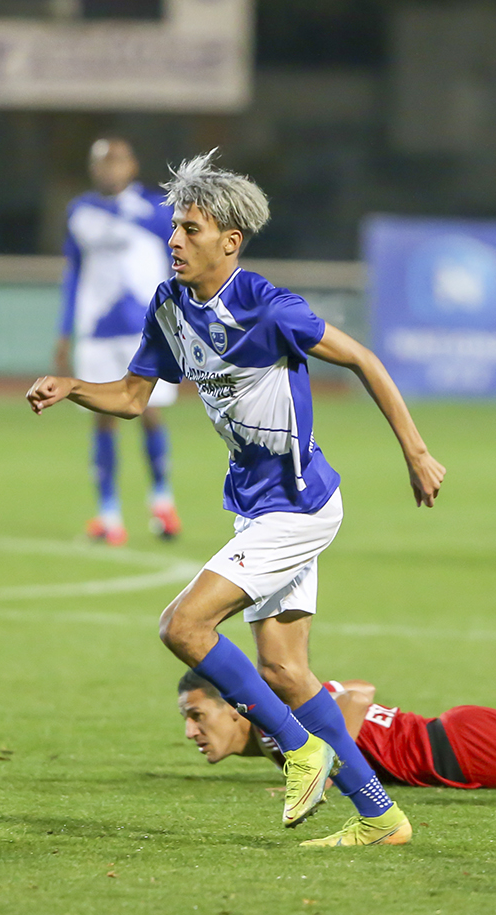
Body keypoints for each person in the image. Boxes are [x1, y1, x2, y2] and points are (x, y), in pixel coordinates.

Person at [26, 149, 446, 847]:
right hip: (257, 505)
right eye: (173, 228)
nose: (174, 241)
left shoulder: (270, 307)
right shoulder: (170, 305)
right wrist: (73, 386)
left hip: (299, 504)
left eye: (190, 229)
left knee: (182, 626)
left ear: (230, 240)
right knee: (285, 668)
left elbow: (366, 360)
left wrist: (416, 450)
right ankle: (381, 816)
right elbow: (132, 397)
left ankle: (301, 751)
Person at [57, 137, 180, 546]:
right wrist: (63, 330)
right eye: (102, 162)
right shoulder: (81, 212)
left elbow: (180, 265)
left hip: (146, 329)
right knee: (102, 416)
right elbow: (73, 272)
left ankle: (162, 501)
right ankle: (109, 514)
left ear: (132, 165)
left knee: (149, 413)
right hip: (96, 332)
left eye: (117, 161)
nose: (109, 169)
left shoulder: (156, 210)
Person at [178, 670, 496, 791]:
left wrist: (323, 777)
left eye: (197, 715)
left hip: (457, 746)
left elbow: (358, 696)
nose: (191, 732)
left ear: (233, 709)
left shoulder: (276, 723)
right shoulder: (273, 731)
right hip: (454, 744)